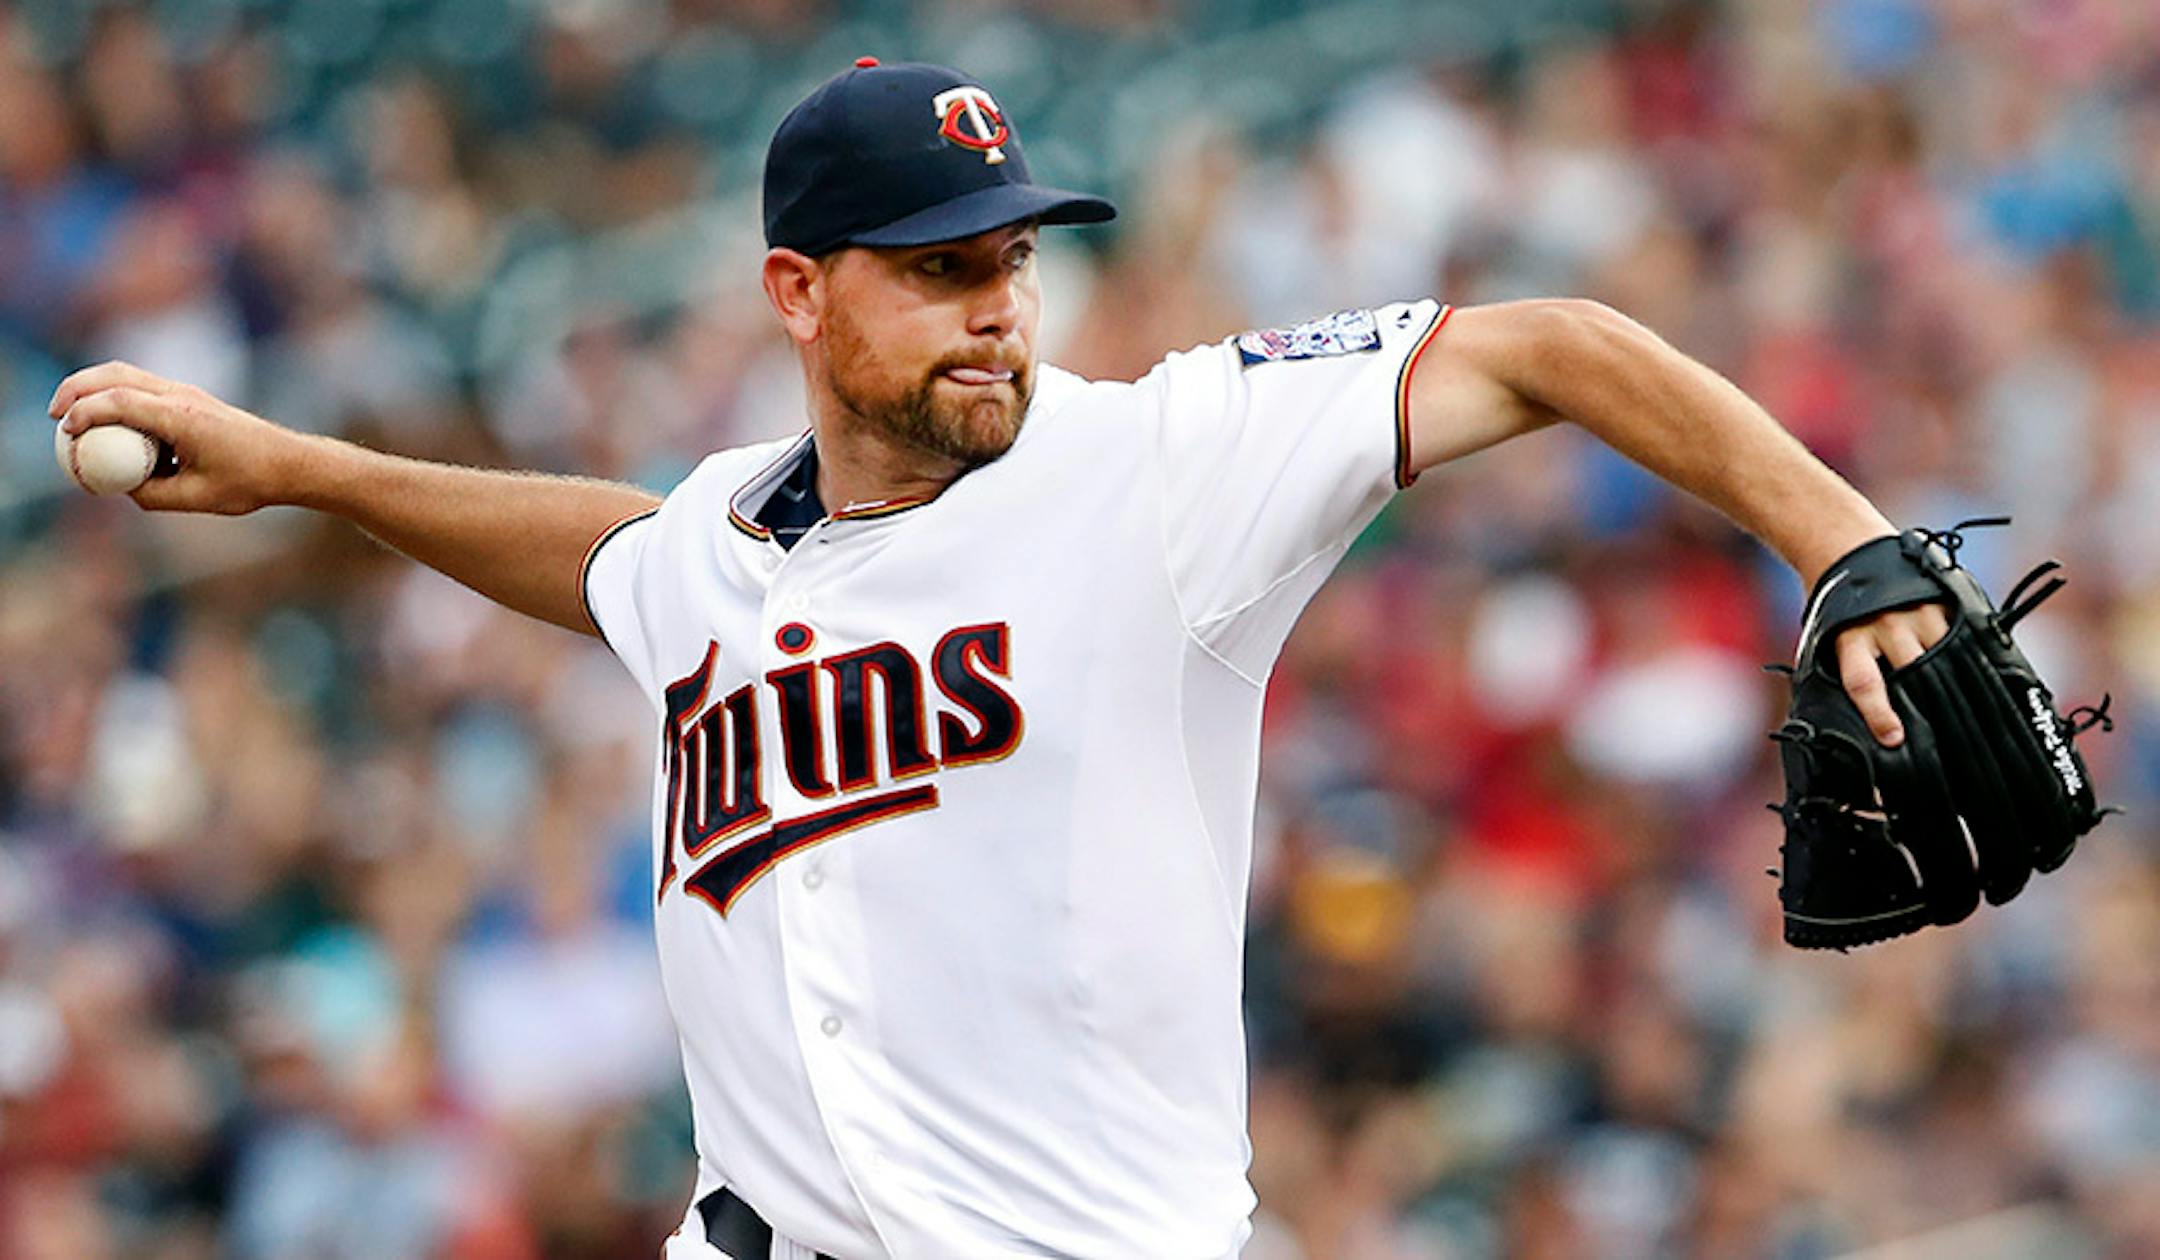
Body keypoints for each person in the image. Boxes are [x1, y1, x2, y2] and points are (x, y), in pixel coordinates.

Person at [48, 59, 1945, 1260]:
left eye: (1013, 260)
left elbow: (1551, 348)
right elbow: (616, 555)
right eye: (942, 268)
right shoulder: (720, 539)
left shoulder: (1163, 465)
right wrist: (307, 470)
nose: (998, 308)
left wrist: (1842, 535)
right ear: (799, 291)